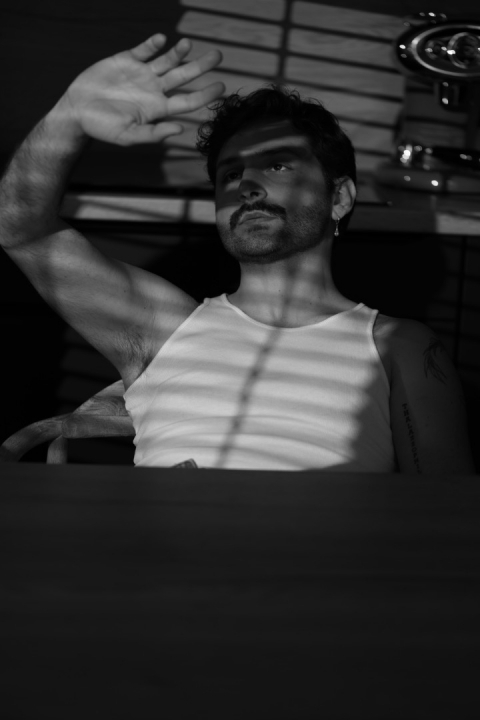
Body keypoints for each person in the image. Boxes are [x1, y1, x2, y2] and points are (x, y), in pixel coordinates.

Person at [0, 34, 475, 473]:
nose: (246, 185)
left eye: (278, 165)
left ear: (339, 198)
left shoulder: (397, 345)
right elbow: (20, 229)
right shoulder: (163, 328)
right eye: (230, 174)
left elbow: (443, 513)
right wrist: (69, 116)